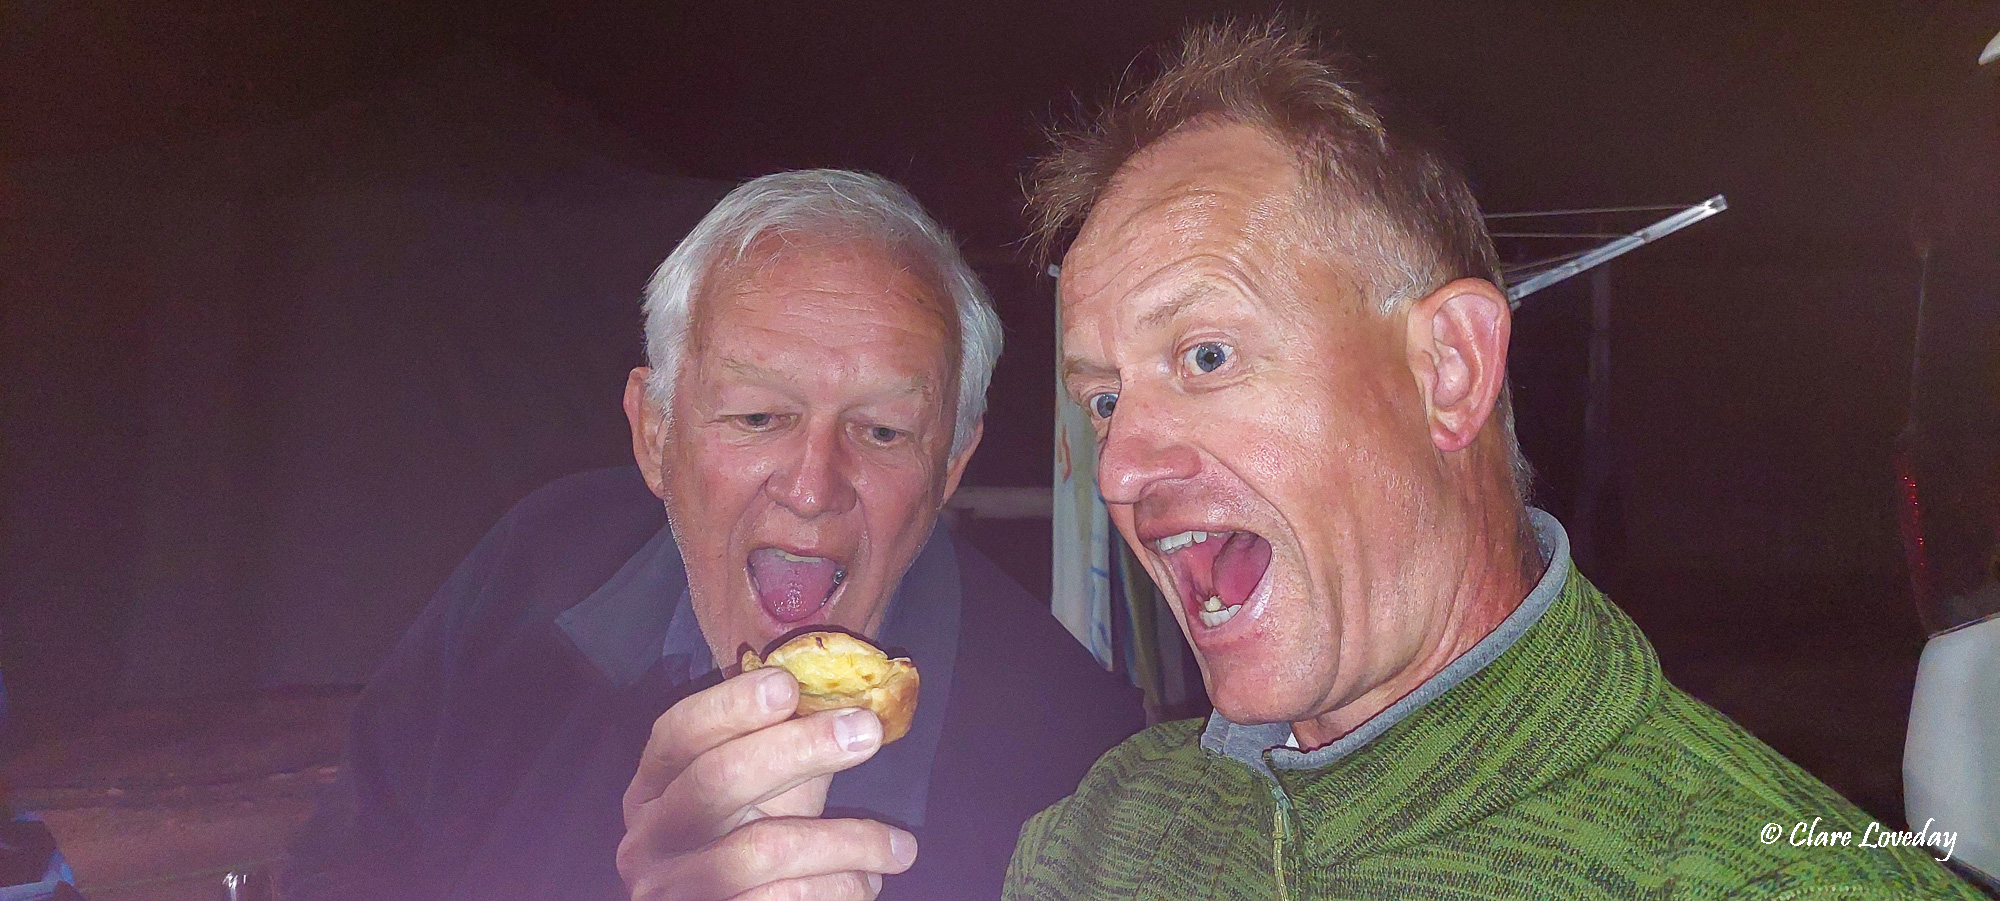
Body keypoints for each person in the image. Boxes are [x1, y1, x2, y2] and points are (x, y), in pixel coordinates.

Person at [1003, 20, 1983, 900]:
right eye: (1104, 399)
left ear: (1450, 369)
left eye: (1207, 356)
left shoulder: (1772, 878)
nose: (1118, 468)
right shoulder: (1101, 837)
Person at [283, 170, 1143, 901]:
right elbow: (341, 870)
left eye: (883, 430)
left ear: (950, 465)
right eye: (758, 415)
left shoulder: (1082, 767)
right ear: (655, 433)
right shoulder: (532, 568)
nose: (811, 487)